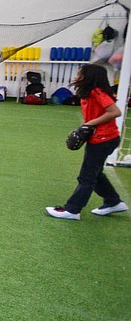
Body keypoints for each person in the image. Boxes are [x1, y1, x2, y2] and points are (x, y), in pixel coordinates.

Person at [45, 64, 126, 220]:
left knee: (87, 177)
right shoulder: (88, 93)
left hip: (104, 139)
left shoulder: (97, 91)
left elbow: (115, 112)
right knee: (95, 173)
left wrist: (89, 124)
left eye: (79, 73)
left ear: (88, 77)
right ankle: (113, 202)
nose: (76, 76)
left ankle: (72, 210)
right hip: (100, 138)